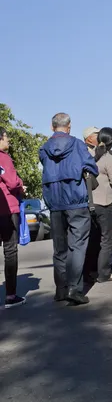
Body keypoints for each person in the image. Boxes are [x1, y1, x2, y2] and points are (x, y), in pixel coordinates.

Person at [39, 113, 98, 305]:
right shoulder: (78, 145)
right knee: (77, 245)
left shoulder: (44, 149)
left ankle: (61, 289)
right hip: (76, 200)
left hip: (54, 202)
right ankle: (75, 288)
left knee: (60, 248)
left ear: (52, 126)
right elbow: (91, 167)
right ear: (69, 126)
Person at [85, 127, 112, 284]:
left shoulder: (90, 155)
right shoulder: (107, 158)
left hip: (91, 203)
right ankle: (104, 273)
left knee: (93, 239)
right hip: (106, 203)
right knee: (106, 240)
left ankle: (91, 271)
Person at [0, 127, 26, 308]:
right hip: (6, 208)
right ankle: (10, 295)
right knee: (10, 251)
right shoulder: (3, 157)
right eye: (6, 137)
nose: (8, 140)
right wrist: (21, 185)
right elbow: (12, 181)